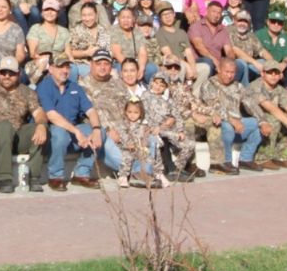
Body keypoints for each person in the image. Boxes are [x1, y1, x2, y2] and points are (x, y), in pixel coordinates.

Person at [80, 50, 157, 185]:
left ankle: (142, 172)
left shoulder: (117, 83)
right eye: (99, 63)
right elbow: (87, 115)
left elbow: (131, 108)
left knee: (151, 138)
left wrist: (138, 128)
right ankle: (138, 172)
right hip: (105, 133)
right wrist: (107, 130)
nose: (103, 67)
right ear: (91, 64)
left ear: (111, 66)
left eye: (106, 63)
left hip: (127, 129)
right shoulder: (83, 85)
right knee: (106, 140)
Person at [37, 54, 103, 191]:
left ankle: (81, 174)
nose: (65, 70)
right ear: (51, 69)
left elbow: (91, 111)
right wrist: (76, 131)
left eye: (67, 67)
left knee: (100, 133)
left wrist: (96, 129)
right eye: (60, 67)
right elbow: (51, 116)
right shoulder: (44, 87)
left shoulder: (75, 87)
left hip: (72, 133)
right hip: (51, 134)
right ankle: (55, 176)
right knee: (59, 133)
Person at [0, 56, 47, 193]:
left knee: (40, 128)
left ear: (18, 74)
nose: (7, 76)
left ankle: (34, 177)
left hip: (17, 136)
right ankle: (4, 178)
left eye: (11, 73)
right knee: (5, 126)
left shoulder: (27, 92)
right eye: (3, 72)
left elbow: (39, 112)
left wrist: (41, 125)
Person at [199, 58, 264, 175]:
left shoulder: (238, 86)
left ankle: (246, 158)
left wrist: (263, 121)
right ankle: (225, 161)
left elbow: (250, 104)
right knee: (227, 127)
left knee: (256, 123)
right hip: (217, 123)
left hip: (237, 123)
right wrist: (232, 121)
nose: (229, 76)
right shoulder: (208, 85)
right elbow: (215, 107)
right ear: (218, 70)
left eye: (232, 72)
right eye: (227, 72)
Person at [243, 61, 287, 169]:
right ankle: (262, 158)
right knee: (274, 120)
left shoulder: (279, 89)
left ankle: (280, 157)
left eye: (276, 73)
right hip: (253, 118)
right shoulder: (255, 86)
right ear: (263, 73)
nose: (274, 76)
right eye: (270, 72)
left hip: (270, 116)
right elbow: (271, 108)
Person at [138, 72, 195, 185]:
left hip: (169, 130)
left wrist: (180, 130)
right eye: (156, 83)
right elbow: (145, 115)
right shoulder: (146, 96)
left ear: (166, 87)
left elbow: (177, 117)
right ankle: (167, 170)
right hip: (153, 130)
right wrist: (157, 127)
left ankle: (177, 169)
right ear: (152, 82)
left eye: (162, 85)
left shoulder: (168, 100)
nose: (158, 87)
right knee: (160, 141)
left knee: (189, 144)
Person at [25, 0, 72, 85]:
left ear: (58, 13)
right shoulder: (35, 28)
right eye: (46, 10)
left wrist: (68, 65)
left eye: (53, 10)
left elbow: (68, 54)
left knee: (73, 70)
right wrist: (44, 62)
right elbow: (32, 53)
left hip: (60, 63)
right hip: (41, 62)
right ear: (42, 13)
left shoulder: (64, 31)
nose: (49, 13)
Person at [68, 3, 111, 80]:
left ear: (96, 15)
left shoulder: (103, 30)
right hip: (83, 64)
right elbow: (69, 52)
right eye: (84, 15)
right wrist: (86, 53)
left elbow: (110, 51)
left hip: (103, 64)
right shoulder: (75, 30)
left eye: (90, 15)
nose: (87, 19)